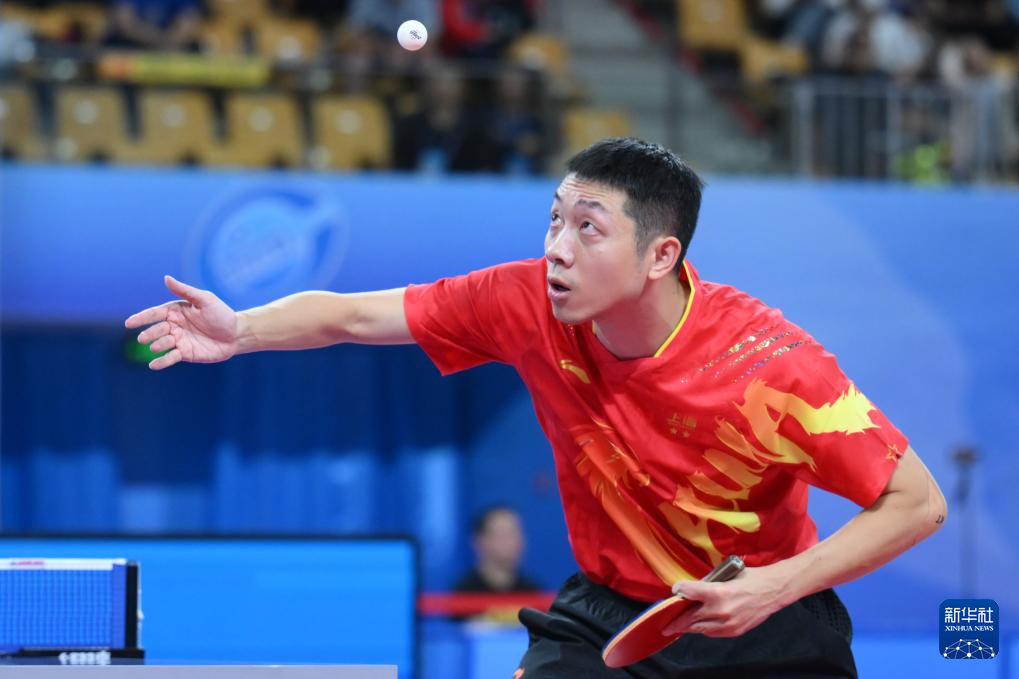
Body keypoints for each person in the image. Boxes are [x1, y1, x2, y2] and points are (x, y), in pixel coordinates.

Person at [125, 137, 947, 677]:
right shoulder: (526, 302)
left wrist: (773, 587)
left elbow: (916, 502)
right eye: (554, 218)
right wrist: (241, 329)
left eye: (587, 228)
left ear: (659, 254)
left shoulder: (772, 367)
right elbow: (354, 315)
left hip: (762, 620)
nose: (555, 247)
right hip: (608, 611)